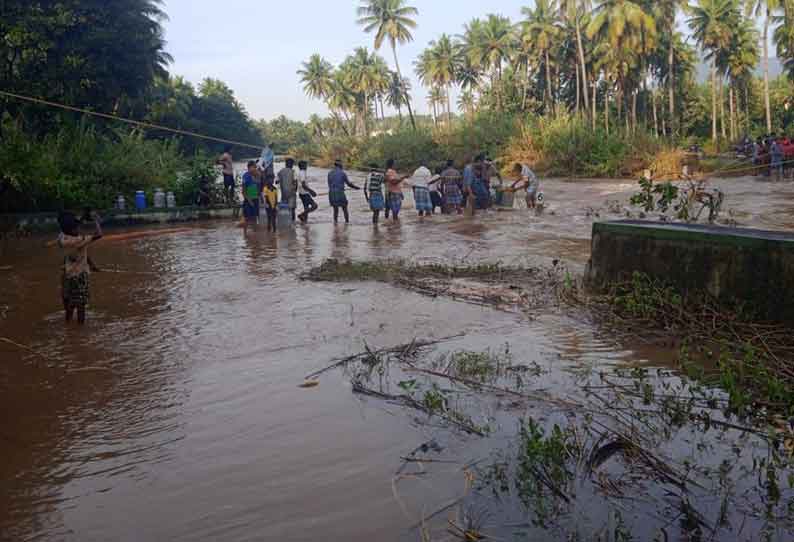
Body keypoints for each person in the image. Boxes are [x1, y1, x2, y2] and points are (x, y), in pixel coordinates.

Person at [57, 210, 103, 325]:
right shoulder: (79, 240)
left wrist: (92, 265)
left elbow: (82, 252)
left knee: (69, 304)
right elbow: (99, 234)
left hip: (67, 275)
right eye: (78, 226)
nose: (80, 228)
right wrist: (96, 220)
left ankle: (68, 324)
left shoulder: (62, 238)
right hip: (79, 277)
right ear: (73, 229)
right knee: (80, 305)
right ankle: (80, 329)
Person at [241, 161, 261, 233]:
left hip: (255, 198)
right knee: (247, 218)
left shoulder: (256, 175)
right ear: (250, 167)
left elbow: (259, 187)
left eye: (256, 167)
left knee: (255, 217)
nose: (255, 168)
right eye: (254, 167)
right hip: (248, 199)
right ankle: (246, 235)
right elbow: (243, 191)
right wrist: (249, 201)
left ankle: (255, 233)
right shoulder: (246, 176)